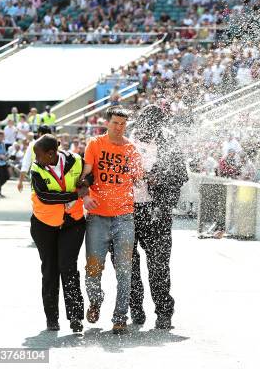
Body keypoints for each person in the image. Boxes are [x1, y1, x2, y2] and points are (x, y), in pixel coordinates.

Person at [78, 106, 142, 334]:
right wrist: (84, 196)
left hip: (124, 216)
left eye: (123, 124)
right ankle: (95, 300)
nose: (119, 127)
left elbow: (139, 178)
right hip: (97, 217)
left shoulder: (131, 149)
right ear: (107, 123)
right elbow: (84, 175)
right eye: (115, 123)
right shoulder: (95, 144)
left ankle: (120, 317)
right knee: (93, 269)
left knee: (125, 270)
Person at [128, 104, 188, 329]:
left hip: (157, 211)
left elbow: (181, 174)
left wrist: (159, 177)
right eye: (146, 125)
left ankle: (164, 312)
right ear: (139, 121)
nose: (149, 131)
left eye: (155, 127)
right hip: (127, 211)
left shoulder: (168, 142)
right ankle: (135, 309)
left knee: (159, 266)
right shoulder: (125, 139)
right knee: (128, 265)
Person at [29, 134, 87, 332]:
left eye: (39, 155)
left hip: (73, 223)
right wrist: (74, 194)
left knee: (68, 267)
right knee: (50, 269)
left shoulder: (76, 160)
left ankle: (76, 317)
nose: (36, 159)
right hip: (44, 225)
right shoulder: (36, 169)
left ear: (52, 153)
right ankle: (52, 318)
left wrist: (86, 182)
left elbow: (90, 175)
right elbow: (45, 196)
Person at [18, 125, 52, 192]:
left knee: (37, 201)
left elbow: (25, 164)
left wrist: (20, 181)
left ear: (39, 133)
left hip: (36, 179)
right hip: (52, 180)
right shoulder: (55, 146)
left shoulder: (32, 145)